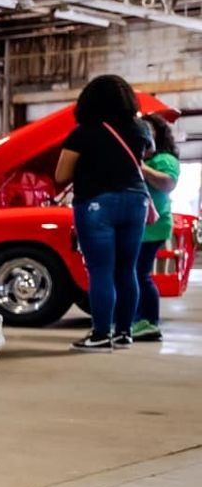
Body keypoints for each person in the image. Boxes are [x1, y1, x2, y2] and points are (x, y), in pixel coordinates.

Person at [56, 74, 152, 351]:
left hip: (97, 203)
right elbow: (140, 160)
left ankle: (100, 335)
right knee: (127, 269)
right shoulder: (141, 130)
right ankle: (124, 333)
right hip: (136, 202)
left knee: (100, 271)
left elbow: (62, 175)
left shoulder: (83, 133)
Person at [130, 115, 182, 342]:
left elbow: (168, 183)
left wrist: (141, 167)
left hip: (154, 226)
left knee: (141, 273)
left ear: (158, 134)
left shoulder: (165, 159)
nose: (145, 133)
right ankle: (139, 319)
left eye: (148, 130)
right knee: (135, 273)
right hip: (139, 226)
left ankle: (149, 322)